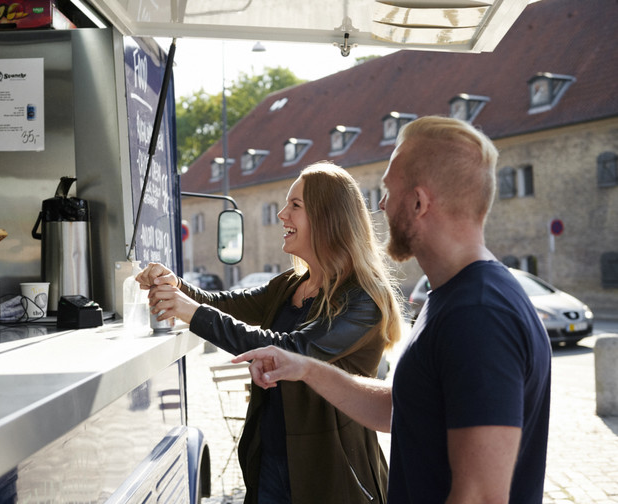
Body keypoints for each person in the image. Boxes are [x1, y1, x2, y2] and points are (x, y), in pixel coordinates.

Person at [234, 116, 552, 504]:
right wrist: (306, 368)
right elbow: (401, 409)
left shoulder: (479, 316)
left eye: (388, 189)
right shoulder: (452, 297)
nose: (381, 204)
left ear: (418, 202)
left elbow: (482, 497)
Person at [136, 162, 403, 504]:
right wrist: (176, 285)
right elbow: (227, 303)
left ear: (327, 218)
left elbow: (293, 350)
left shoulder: (362, 298)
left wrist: (190, 311)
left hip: (330, 473)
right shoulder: (292, 284)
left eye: (295, 206)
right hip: (272, 462)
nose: (281, 214)